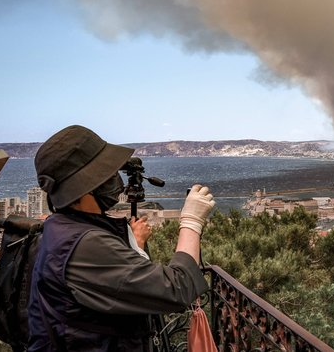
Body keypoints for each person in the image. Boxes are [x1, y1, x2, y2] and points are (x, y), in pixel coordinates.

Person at [27, 125, 216, 351]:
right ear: (87, 186)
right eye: (107, 173)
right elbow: (177, 288)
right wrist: (191, 221)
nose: (115, 179)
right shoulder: (85, 245)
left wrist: (134, 243)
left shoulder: (60, 227)